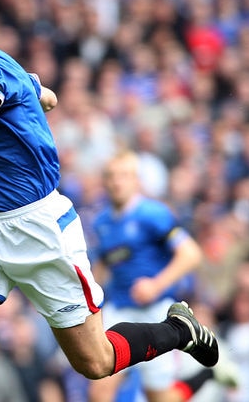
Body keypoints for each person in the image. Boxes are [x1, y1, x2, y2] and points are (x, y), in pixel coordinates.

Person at [0, 0, 219, 402]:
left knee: (95, 363)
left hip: (39, 230)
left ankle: (179, 330)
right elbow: (45, 95)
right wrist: (38, 93)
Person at [89, 151, 237, 402]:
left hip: (155, 311)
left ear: (136, 181)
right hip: (119, 310)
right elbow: (102, 268)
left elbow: (190, 254)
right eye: (111, 176)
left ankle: (207, 376)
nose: (116, 182)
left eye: (123, 176)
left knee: (161, 398)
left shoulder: (153, 213)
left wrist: (156, 285)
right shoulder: (102, 222)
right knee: (99, 387)